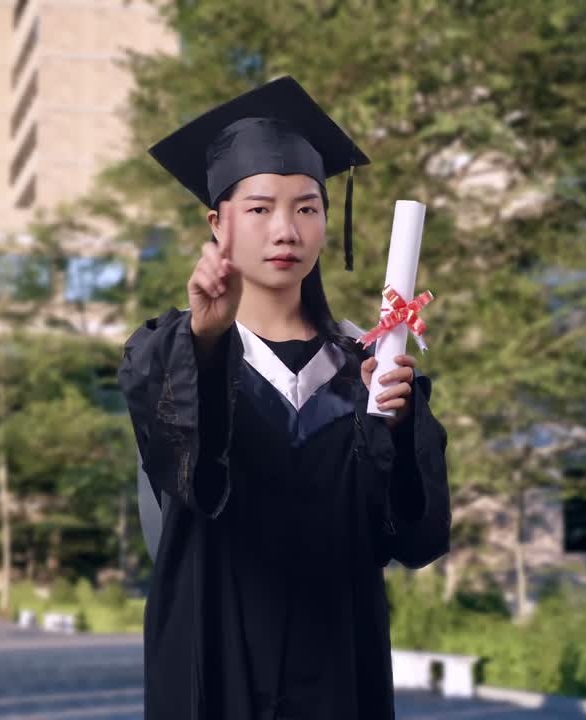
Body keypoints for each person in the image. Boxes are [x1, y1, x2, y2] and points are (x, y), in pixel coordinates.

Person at [118, 76, 451, 720]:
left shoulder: (367, 365)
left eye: (306, 207)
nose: (286, 230)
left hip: (337, 669)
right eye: (259, 208)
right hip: (216, 666)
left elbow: (413, 537)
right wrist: (208, 343)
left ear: (327, 220)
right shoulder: (168, 355)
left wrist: (399, 430)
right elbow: (190, 482)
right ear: (217, 224)